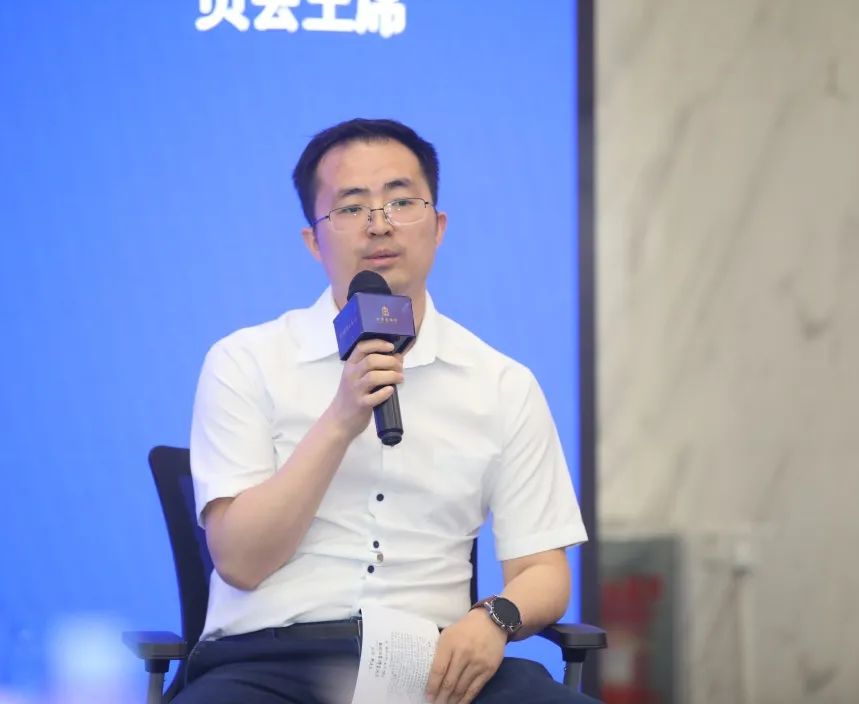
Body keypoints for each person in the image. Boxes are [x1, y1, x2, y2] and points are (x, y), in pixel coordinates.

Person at [177, 118, 597, 704]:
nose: (380, 223)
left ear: (438, 227)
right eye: (351, 207)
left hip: (436, 669)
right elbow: (241, 562)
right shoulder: (245, 361)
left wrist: (495, 618)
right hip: (269, 666)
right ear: (313, 241)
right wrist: (341, 419)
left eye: (401, 201)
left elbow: (545, 571)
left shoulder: (502, 383)